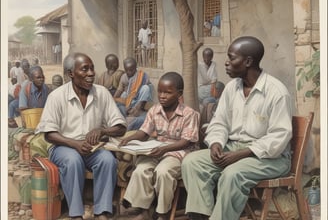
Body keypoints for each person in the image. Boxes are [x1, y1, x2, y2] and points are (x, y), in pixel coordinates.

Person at [181, 36, 293, 220]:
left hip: (271, 157)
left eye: (231, 58)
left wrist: (241, 154)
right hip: (233, 148)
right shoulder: (232, 87)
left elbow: (278, 138)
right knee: (192, 162)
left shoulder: (276, 92)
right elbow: (220, 121)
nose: (226, 62)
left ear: (248, 61)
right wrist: (216, 143)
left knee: (232, 174)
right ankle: (200, 217)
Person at [35, 52, 127, 220]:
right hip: (63, 147)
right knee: (73, 160)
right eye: (85, 69)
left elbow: (121, 127)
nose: (91, 73)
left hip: (92, 149)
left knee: (107, 160)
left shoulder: (102, 93)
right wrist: (74, 144)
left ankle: (102, 212)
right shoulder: (57, 96)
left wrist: (102, 131)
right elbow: (49, 134)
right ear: (71, 74)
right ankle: (76, 214)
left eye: (92, 68)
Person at [119, 72, 200, 220]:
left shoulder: (189, 114)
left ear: (179, 94)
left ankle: (163, 212)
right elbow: (144, 132)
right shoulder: (155, 110)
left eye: (168, 92)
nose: (162, 96)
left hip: (179, 153)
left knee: (163, 172)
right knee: (141, 169)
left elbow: (186, 141)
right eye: (160, 91)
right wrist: (130, 138)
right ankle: (143, 210)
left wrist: (164, 149)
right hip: (157, 150)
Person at [114, 57, 153, 130]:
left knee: (146, 88)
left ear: (135, 68)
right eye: (127, 70)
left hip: (139, 101)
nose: (129, 72)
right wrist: (114, 99)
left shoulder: (142, 76)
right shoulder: (124, 77)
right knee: (123, 94)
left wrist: (137, 105)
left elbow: (148, 91)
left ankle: (137, 110)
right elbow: (118, 92)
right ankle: (128, 112)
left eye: (131, 70)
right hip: (128, 101)